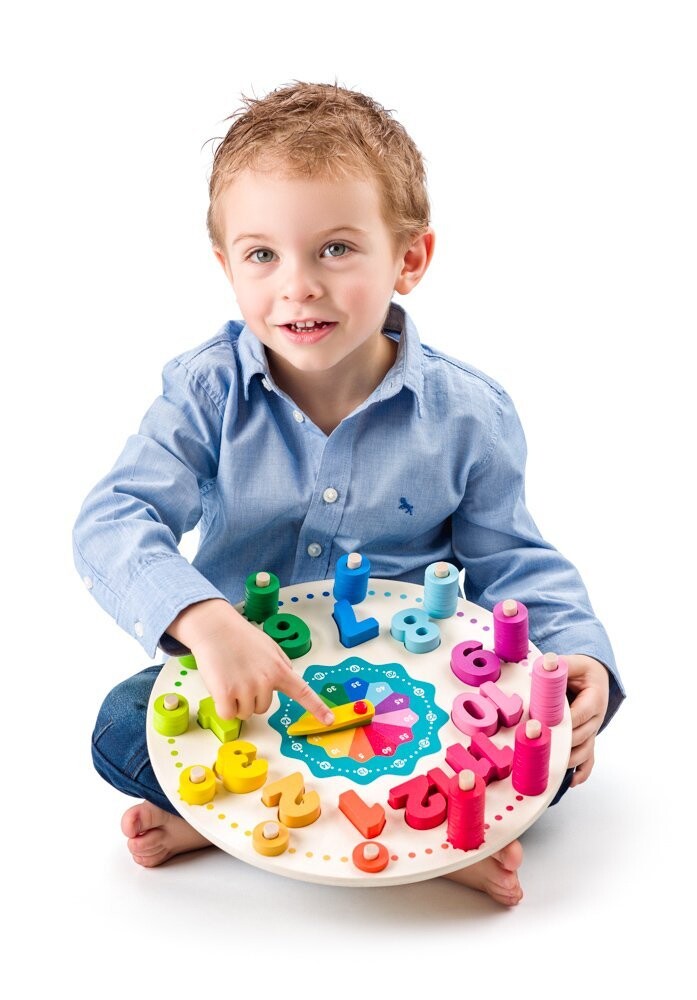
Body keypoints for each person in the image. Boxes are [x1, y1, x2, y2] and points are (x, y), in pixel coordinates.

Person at [73, 80, 624, 906]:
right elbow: (113, 518)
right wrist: (206, 623)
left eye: (334, 248)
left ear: (409, 259)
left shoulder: (468, 414)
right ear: (225, 266)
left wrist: (582, 659)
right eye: (262, 254)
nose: (297, 285)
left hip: (419, 690)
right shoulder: (205, 393)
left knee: (554, 749)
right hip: (257, 686)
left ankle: (324, 824)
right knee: (123, 728)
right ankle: (434, 837)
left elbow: (513, 559)